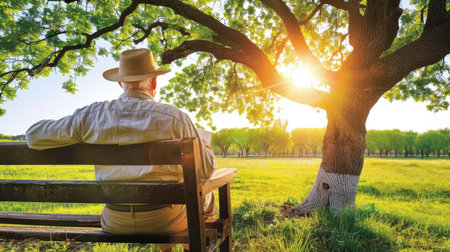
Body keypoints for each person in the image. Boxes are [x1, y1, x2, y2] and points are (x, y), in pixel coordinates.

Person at [26, 48, 216, 251]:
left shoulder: (90, 116)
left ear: (120, 83)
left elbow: (33, 135)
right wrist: (207, 149)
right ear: (153, 83)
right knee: (206, 199)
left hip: (115, 220)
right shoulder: (176, 118)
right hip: (165, 219)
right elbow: (206, 171)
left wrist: (72, 125)